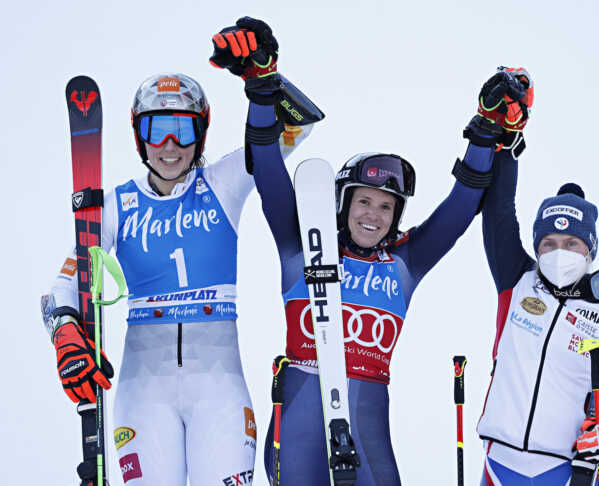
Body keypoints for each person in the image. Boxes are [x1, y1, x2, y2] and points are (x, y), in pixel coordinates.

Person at [207, 19, 525, 486]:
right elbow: (269, 170)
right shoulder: (302, 245)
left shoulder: (405, 262)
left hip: (369, 421)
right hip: (298, 424)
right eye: (363, 202)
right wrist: (261, 88)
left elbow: (461, 207)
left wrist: (484, 132)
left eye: (385, 207)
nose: (373, 215)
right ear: (342, 205)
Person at [40, 66, 313, 485]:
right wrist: (64, 330)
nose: (169, 145)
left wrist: (261, 75)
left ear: (200, 135)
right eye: (156, 130)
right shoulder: (115, 206)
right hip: (144, 394)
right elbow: (61, 286)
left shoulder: (223, 182)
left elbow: (300, 123)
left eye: (183, 131)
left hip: (219, 392)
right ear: (139, 136)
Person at [476, 69, 599, 485]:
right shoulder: (516, 280)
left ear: (590, 250)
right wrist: (507, 137)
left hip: (568, 471)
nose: (559, 252)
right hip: (498, 465)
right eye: (548, 243)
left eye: (571, 243)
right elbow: (499, 209)